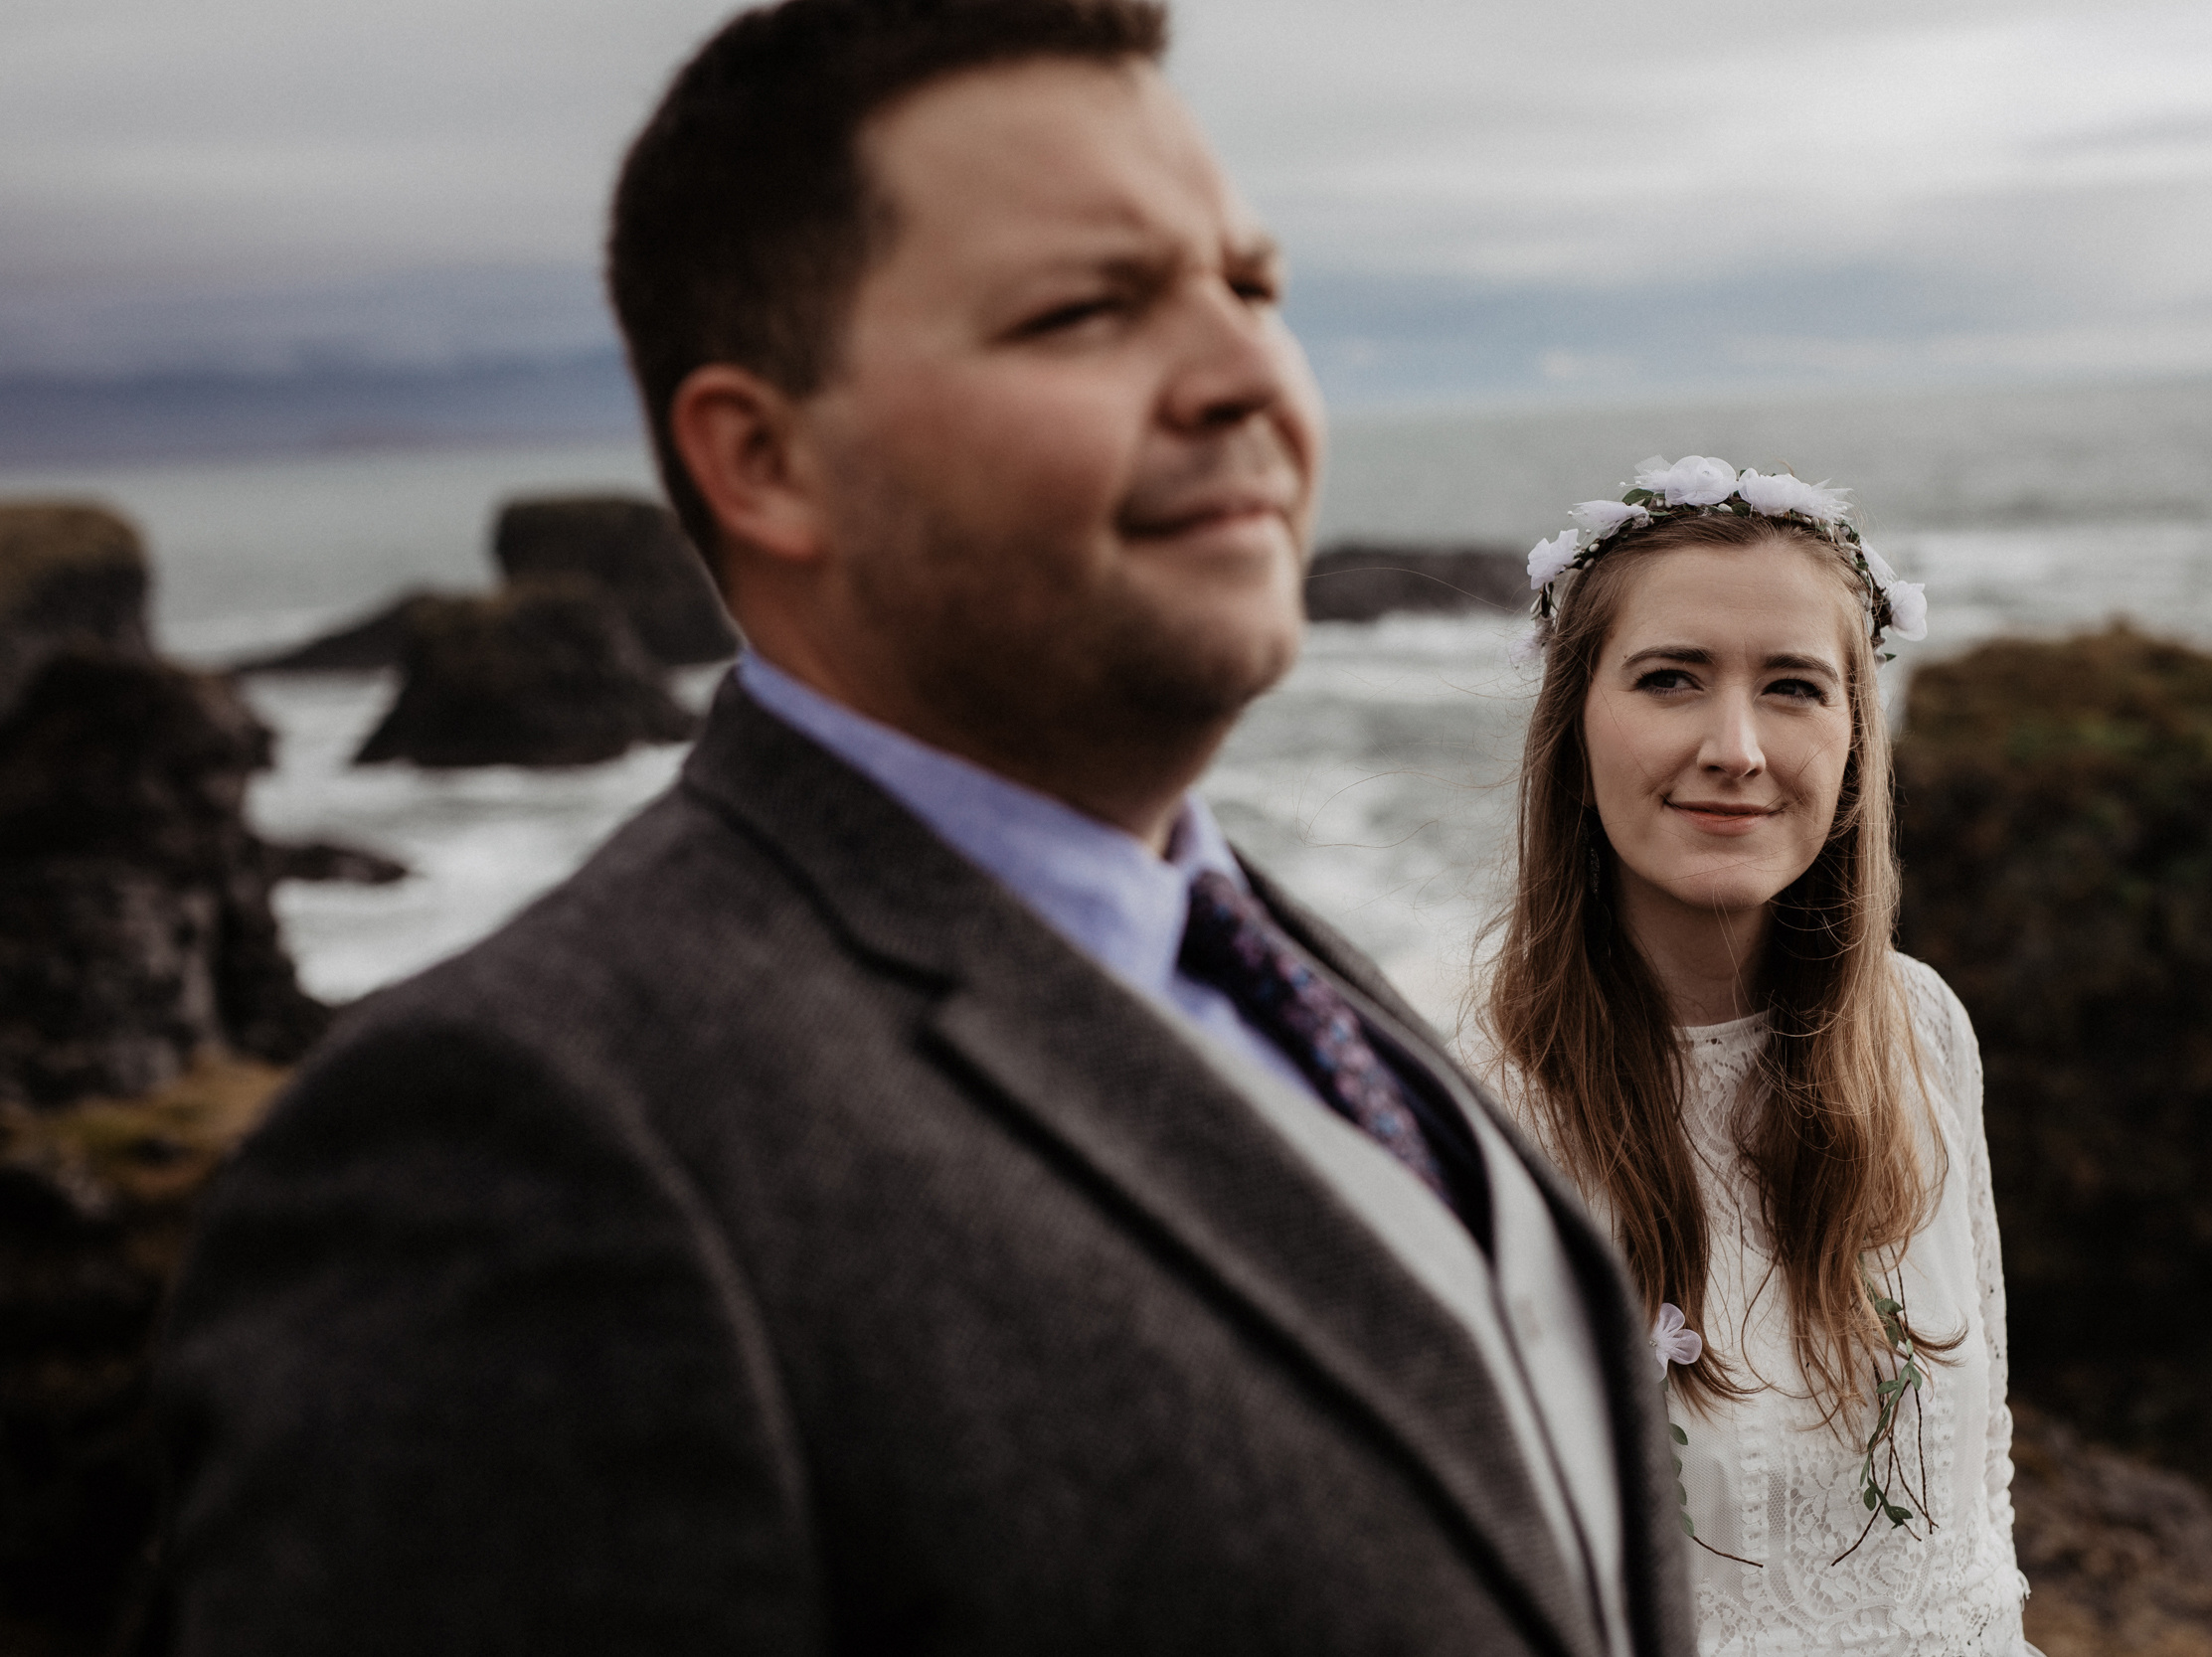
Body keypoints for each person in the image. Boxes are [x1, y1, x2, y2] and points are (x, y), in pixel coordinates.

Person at [145, 4, 1694, 1654]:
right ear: (764, 459)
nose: (1249, 373)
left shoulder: (1281, 971)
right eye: (1085, 309)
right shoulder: (519, 1148)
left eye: (1251, 287)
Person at [1486, 458, 2035, 1656]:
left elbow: (1978, 1489)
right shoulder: (1469, 1097)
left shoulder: (1923, 1026)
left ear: (1852, 741)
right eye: (1670, 678)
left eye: (1792, 686)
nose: (1735, 746)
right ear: (1574, 727)